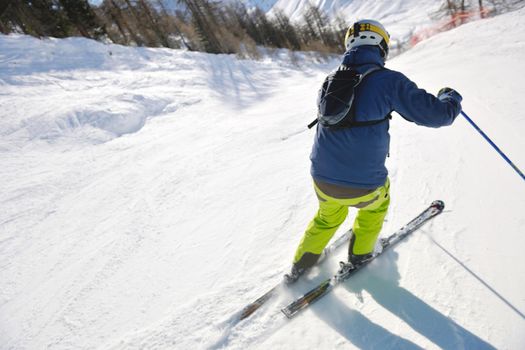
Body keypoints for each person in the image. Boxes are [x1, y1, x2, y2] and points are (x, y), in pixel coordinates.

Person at [285, 19, 462, 282]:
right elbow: (437, 116)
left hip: (322, 179)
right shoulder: (388, 81)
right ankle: (361, 254)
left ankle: (301, 265)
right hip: (365, 186)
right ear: (381, 46)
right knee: (374, 209)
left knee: (327, 216)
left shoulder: (329, 81)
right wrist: (450, 98)